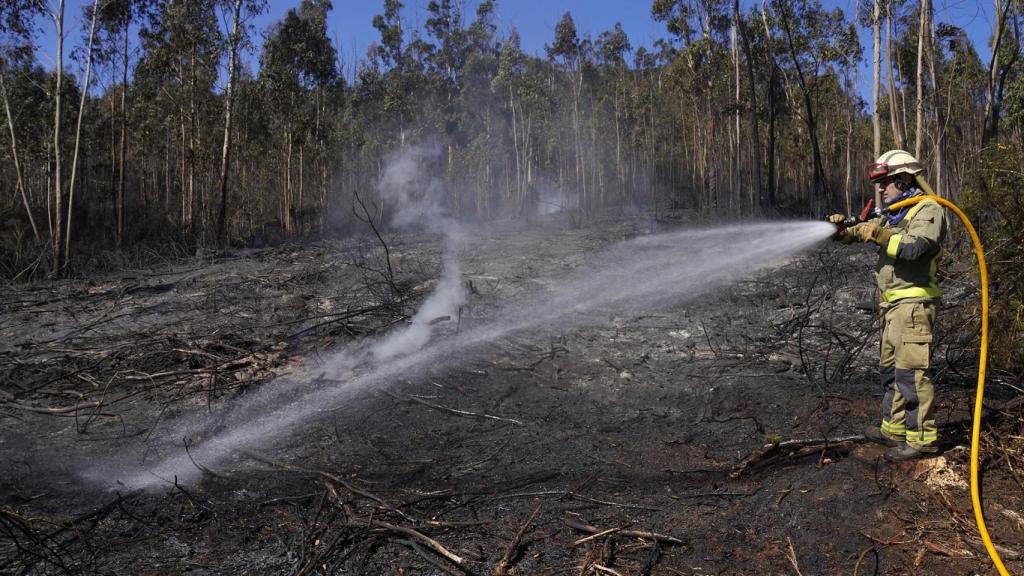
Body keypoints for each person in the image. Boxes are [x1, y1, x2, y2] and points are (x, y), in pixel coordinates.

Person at [829, 150, 948, 462]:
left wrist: (879, 234)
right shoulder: (895, 213)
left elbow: (916, 249)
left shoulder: (927, 209)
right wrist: (841, 230)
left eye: (885, 183)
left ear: (904, 179)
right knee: (891, 373)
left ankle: (922, 441)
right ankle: (894, 429)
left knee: (912, 375)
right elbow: (860, 230)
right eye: (878, 184)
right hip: (893, 307)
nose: (880, 189)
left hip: (914, 303)